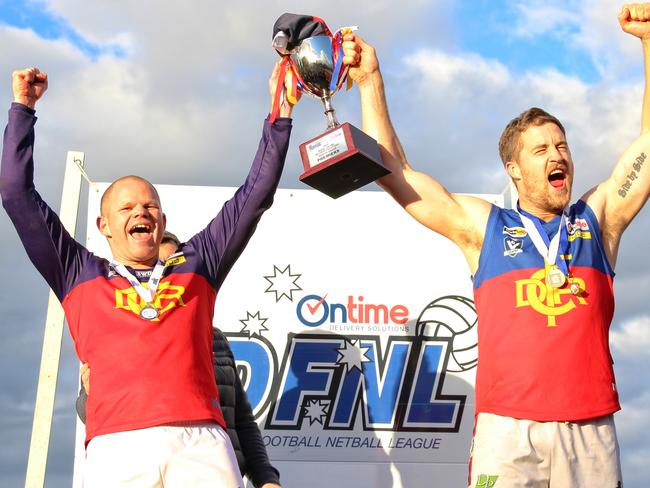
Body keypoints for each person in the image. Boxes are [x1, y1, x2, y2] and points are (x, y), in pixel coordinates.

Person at [341, 4, 650, 487]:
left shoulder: (597, 219)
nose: (557, 155)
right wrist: (369, 82)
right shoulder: (486, 227)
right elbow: (397, 176)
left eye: (562, 145)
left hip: (588, 429)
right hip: (507, 432)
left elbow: (648, 145)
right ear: (514, 169)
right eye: (541, 149)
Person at [1, 62, 297, 487]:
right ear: (104, 225)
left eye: (150, 205)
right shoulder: (77, 271)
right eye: (126, 207)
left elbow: (254, 195)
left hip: (203, 443)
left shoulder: (198, 263)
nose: (141, 211)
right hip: (116, 446)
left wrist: (280, 112)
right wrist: (22, 108)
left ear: (162, 219)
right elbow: (15, 193)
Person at [75, 231, 281, 488]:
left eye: (170, 267)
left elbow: (241, 420)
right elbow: (89, 414)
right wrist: (93, 393)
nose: (161, 278)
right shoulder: (112, 336)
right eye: (154, 269)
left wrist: (266, 478)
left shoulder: (214, 339)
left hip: (213, 473)